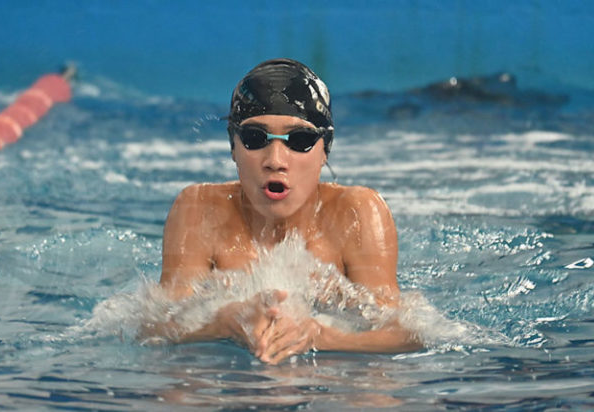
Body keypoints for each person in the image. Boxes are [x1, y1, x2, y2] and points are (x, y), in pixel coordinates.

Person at [157, 58, 421, 364]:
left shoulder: (357, 215)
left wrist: (319, 335)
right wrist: (223, 322)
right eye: (256, 138)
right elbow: (154, 326)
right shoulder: (198, 210)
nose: (276, 160)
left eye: (300, 140)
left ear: (325, 150)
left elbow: (406, 333)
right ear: (233, 146)